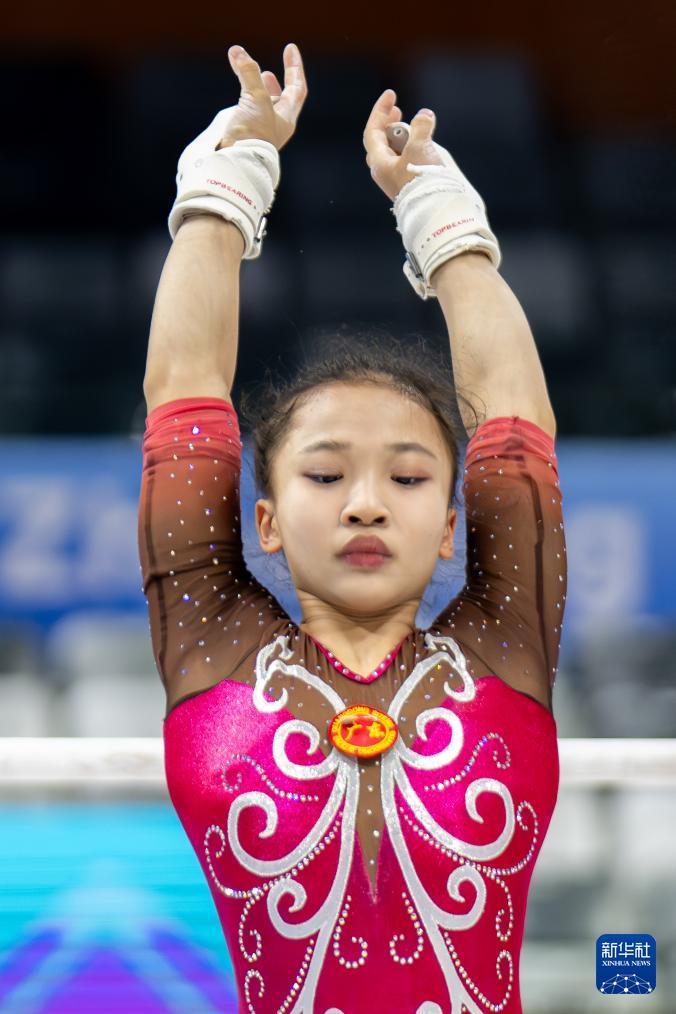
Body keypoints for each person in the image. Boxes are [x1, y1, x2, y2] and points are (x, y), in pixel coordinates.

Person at [138, 41, 567, 1014]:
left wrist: (443, 219)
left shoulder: (504, 648)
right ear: (264, 519)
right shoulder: (213, 647)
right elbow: (183, 396)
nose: (365, 502)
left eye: (407, 477)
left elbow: (512, 426)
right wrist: (227, 180)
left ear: (453, 525)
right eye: (326, 474)